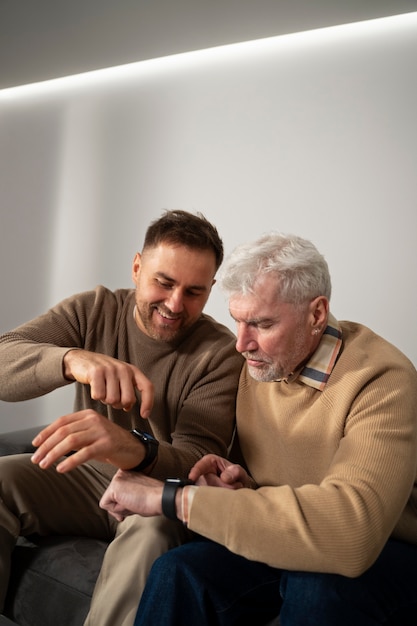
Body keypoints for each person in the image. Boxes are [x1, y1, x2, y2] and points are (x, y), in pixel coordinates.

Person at [100, 232, 417, 626]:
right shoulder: (263, 365)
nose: (241, 344)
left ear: (317, 314)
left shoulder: (382, 380)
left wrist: (173, 498)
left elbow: (350, 532)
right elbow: (284, 483)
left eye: (261, 324)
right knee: (179, 571)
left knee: (317, 588)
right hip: (297, 537)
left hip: (387, 548)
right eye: (237, 320)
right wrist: (243, 487)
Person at [0, 210, 244, 626]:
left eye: (193, 292)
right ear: (136, 267)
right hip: (88, 476)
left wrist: (131, 448)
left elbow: (198, 458)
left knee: (151, 534)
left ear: (211, 291)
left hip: (162, 495)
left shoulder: (220, 353)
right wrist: (71, 360)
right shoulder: (94, 309)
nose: (174, 304)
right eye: (163, 283)